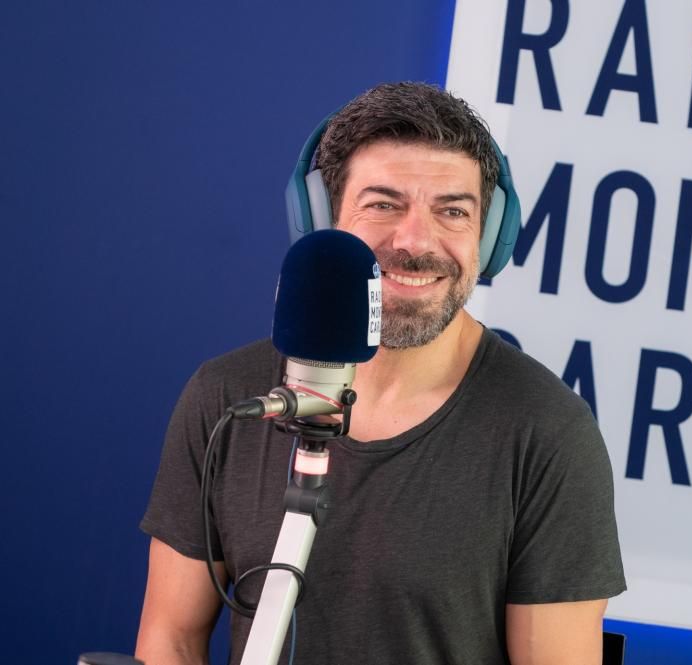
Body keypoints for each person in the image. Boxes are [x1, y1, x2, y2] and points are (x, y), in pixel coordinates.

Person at [135, 82, 626, 665]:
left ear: (490, 236)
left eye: (453, 211)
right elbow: (171, 637)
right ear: (320, 221)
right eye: (384, 205)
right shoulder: (227, 398)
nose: (415, 241)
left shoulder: (547, 434)